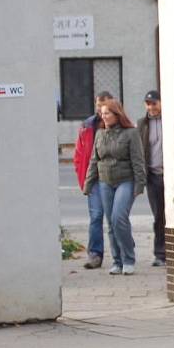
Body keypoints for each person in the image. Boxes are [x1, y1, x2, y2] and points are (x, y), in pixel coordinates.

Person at [84, 99, 146, 276]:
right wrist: (88, 183)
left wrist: (140, 184)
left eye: (107, 113)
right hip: (105, 181)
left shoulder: (131, 133)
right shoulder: (100, 134)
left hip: (125, 180)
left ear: (117, 114)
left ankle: (128, 259)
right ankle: (117, 261)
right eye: (102, 113)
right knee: (111, 223)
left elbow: (138, 160)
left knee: (119, 217)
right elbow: (94, 160)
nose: (104, 116)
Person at [74, 90, 114, 270]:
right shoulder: (87, 126)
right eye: (98, 105)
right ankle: (95, 254)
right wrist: (84, 179)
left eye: (103, 105)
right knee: (96, 216)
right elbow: (79, 155)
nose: (100, 109)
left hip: (114, 177)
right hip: (95, 178)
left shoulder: (119, 124)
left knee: (116, 218)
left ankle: (121, 254)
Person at [136, 90, 166, 266]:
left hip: (168, 174)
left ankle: (169, 251)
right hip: (153, 175)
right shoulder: (142, 124)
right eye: (148, 104)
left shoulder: (169, 120)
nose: (151, 107)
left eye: (154, 103)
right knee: (158, 216)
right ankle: (160, 253)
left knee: (169, 214)